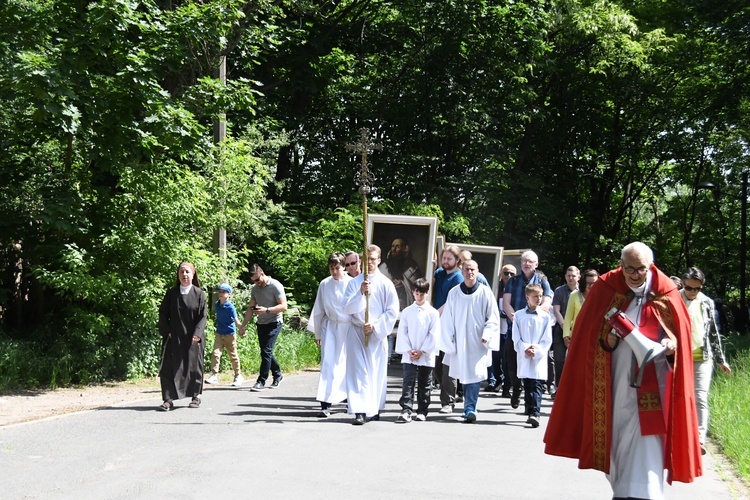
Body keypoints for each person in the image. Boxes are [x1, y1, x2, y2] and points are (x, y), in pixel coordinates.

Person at [545, 242, 702, 499]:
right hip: (614, 379)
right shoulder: (606, 288)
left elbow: (680, 338)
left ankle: (646, 492)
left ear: (650, 266)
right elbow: (589, 334)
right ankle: (621, 489)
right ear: (622, 264)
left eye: (640, 269)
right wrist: (607, 340)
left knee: (648, 438)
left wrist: (672, 346)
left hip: (656, 379)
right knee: (617, 434)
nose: (634, 274)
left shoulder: (667, 292)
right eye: (629, 268)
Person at [342, 244, 399, 425]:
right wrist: (360, 293)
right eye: (366, 260)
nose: (370, 263)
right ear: (362, 261)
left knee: (374, 371)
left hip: (376, 334)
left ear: (379, 260)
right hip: (357, 331)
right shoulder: (354, 282)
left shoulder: (386, 283)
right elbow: (346, 307)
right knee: (357, 371)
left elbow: (392, 311)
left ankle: (372, 408)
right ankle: (359, 410)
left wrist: (374, 326)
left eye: (373, 259)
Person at [440, 259, 501, 423]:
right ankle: (466, 405)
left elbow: (493, 318)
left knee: (474, 375)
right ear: (462, 271)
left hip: (478, 342)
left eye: (473, 269)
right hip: (459, 340)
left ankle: (470, 408)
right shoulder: (454, 293)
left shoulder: (485, 293)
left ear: (478, 271)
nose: (470, 272)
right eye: (467, 269)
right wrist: (449, 341)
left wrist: (487, 334)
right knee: (462, 374)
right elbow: (447, 319)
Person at [680, 267, 732, 454]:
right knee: (680, 398)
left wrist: (721, 360)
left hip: (702, 357)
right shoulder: (674, 299)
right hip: (679, 357)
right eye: (689, 288)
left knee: (700, 397)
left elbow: (713, 332)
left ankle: (700, 439)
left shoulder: (707, 302)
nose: (693, 292)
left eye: (697, 289)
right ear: (683, 284)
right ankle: (680, 435)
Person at [502, 250, 553, 409]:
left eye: (530, 261)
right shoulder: (513, 281)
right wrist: (516, 318)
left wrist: (533, 315)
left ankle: (531, 404)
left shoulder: (543, 281)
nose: (526, 264)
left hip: (535, 329)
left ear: (536, 264)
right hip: (516, 327)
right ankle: (516, 387)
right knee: (511, 361)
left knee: (533, 363)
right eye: (524, 261)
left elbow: (546, 303)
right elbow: (506, 303)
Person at [157, 262, 207, 411]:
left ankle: (195, 396)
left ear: (193, 275)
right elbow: (163, 314)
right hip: (174, 337)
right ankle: (168, 400)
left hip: (193, 337)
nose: (184, 275)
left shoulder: (199, 294)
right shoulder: (171, 293)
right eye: (181, 272)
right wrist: (167, 331)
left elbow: (202, 317)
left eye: (187, 272)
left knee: (194, 367)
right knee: (168, 367)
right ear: (178, 275)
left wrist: (197, 334)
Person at [307, 253, 351, 417]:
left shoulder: (351, 283)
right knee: (329, 364)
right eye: (331, 268)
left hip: (348, 327)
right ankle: (325, 403)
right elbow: (318, 310)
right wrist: (318, 332)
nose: (334, 271)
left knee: (347, 364)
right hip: (330, 327)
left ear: (343, 267)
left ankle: (349, 398)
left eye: (337, 268)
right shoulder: (324, 284)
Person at [395, 278, 440, 423]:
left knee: (425, 383)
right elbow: (403, 332)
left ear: (426, 293)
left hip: (425, 354)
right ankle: (406, 409)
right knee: (408, 381)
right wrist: (409, 350)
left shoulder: (432, 313)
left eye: (421, 294)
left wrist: (423, 351)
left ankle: (422, 410)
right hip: (410, 353)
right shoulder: (408, 312)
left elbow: (433, 334)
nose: (418, 296)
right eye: (416, 293)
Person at [240, 264, 288, 392]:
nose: (256, 283)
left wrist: (267, 310)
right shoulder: (255, 289)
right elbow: (251, 308)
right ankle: (278, 374)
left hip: (274, 322)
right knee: (265, 351)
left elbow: (284, 306)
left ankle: (261, 380)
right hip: (261, 323)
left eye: (257, 280)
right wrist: (243, 325)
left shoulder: (275, 285)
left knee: (266, 351)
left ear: (262, 274)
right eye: (253, 281)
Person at [512, 283, 553, 428]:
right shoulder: (519, 315)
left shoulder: (545, 317)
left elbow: (547, 339)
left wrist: (536, 350)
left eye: (540, 296)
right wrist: (524, 348)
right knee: (528, 383)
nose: (538, 299)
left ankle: (535, 413)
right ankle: (529, 408)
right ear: (527, 297)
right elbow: (516, 336)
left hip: (538, 355)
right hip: (524, 354)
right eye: (535, 296)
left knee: (536, 384)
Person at [432, 245, 464, 414]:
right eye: (444, 258)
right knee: (436, 364)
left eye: (449, 258)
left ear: (457, 261)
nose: (445, 261)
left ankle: (448, 401)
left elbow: (450, 302)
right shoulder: (439, 274)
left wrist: (435, 314)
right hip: (435, 324)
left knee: (447, 365)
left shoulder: (459, 278)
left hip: (449, 325)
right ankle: (450, 392)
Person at [205, 284, 244, 387]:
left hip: (229, 334)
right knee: (215, 353)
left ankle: (238, 375)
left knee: (233, 355)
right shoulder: (217, 304)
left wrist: (241, 327)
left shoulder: (230, 307)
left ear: (229, 295)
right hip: (219, 333)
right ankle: (214, 375)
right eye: (220, 292)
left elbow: (236, 320)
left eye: (223, 292)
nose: (220, 294)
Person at [486, 264, 516, 393]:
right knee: (495, 356)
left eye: (511, 274)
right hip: (496, 328)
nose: (508, 276)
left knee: (507, 359)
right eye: (506, 273)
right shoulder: (495, 287)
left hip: (509, 327)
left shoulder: (517, 287)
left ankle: (507, 386)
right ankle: (496, 380)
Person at [550, 266, 580, 391]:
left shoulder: (583, 291)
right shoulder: (559, 291)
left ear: (579, 277)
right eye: (568, 276)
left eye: (573, 276)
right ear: (565, 277)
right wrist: (564, 327)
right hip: (561, 328)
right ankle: (558, 388)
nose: (571, 278)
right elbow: (556, 310)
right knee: (559, 359)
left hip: (578, 329)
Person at [379, 238, 422, 310]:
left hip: (405, 307)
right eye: (392, 246)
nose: (394, 249)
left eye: (397, 247)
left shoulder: (412, 267)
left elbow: (419, 288)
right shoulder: (383, 267)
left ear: (404, 249)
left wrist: (404, 284)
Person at [562, 269, 599, 347]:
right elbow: (568, 317)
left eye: (594, 283)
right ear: (583, 282)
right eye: (588, 283)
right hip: (577, 335)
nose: (591, 286)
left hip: (594, 337)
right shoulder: (574, 295)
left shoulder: (601, 297)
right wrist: (565, 335)